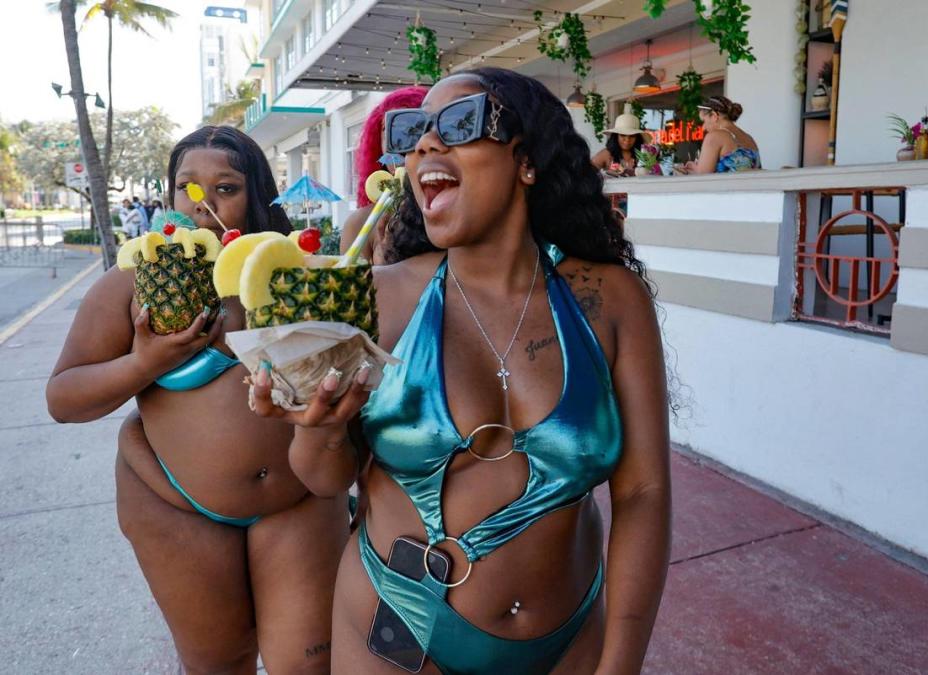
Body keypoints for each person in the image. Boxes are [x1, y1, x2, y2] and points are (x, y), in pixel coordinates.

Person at [257, 67, 672, 673]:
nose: (426, 143)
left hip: (572, 638)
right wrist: (315, 427)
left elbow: (643, 492)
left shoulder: (607, 300)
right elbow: (324, 479)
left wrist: (621, 660)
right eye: (412, 131)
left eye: (458, 123)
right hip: (402, 622)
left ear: (525, 159)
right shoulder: (378, 301)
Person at [47, 126, 356, 675]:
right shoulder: (132, 285)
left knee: (307, 666)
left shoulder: (297, 276)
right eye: (186, 189)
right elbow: (64, 398)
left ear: (257, 197)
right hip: (178, 510)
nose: (203, 205)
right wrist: (144, 364)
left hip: (297, 502)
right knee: (219, 665)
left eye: (225, 188)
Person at [340, 86, 429, 265]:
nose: (399, 140)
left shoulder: (451, 213)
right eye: (387, 129)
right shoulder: (361, 223)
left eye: (411, 126)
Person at [678, 95, 761, 174]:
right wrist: (696, 168)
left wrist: (686, 172)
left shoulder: (715, 136)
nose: (703, 127)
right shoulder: (749, 138)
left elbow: (702, 179)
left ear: (714, 115)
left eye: (704, 121)